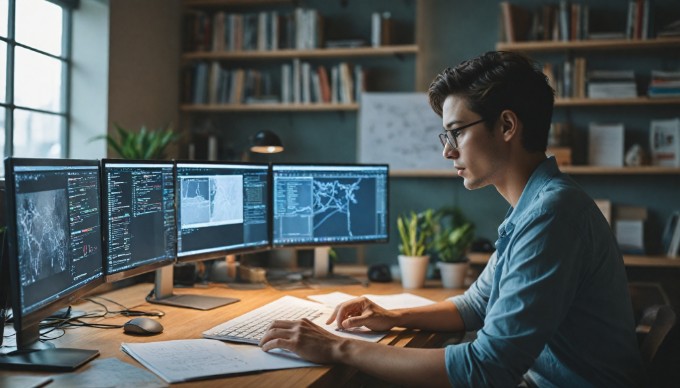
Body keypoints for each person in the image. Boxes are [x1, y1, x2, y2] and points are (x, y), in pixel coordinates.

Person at [260, 51, 644, 387]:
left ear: (507, 126)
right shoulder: (537, 205)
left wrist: (338, 347)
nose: (447, 152)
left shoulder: (551, 216)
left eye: (456, 133)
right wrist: (391, 315)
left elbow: (486, 369)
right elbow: (474, 306)